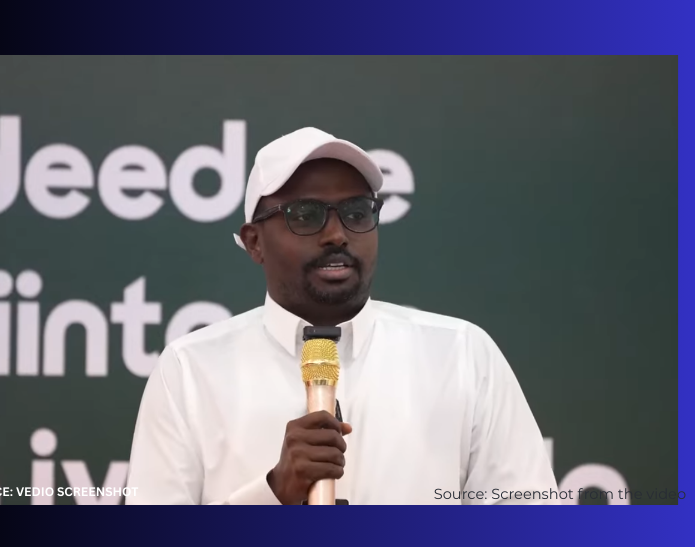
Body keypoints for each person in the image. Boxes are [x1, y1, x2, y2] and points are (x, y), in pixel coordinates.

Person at [124, 127, 559, 505]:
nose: (337, 234)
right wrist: (273, 494)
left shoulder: (460, 355)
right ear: (254, 242)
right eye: (306, 215)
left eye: (356, 213)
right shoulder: (189, 371)